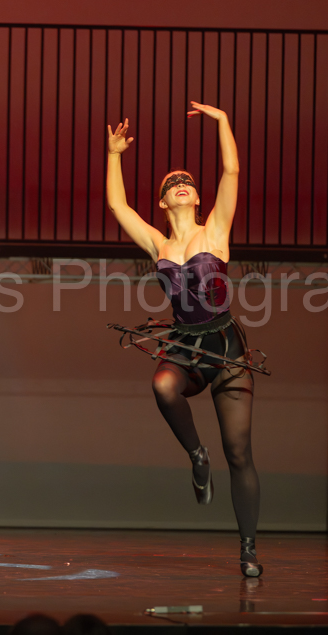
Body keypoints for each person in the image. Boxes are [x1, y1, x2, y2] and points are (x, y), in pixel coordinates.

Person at [105, 103, 264, 577]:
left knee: (239, 452)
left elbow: (232, 171)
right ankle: (197, 455)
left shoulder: (215, 229)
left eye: (188, 181)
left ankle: (248, 549)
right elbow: (118, 207)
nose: (181, 183)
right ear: (162, 203)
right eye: (172, 182)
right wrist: (114, 155)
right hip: (185, 346)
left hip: (226, 347)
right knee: (162, 386)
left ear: (196, 197)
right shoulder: (158, 244)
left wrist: (223, 122)